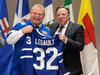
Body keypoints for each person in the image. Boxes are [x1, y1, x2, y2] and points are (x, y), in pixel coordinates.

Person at [6, 4, 50, 75]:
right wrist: (22, 31)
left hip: (37, 71)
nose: (37, 16)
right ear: (30, 13)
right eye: (34, 13)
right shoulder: (20, 26)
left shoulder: (47, 31)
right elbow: (8, 40)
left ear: (44, 16)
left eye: (40, 14)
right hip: (19, 69)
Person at [50, 6, 84, 75]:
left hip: (71, 69)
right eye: (58, 15)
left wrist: (66, 40)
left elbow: (80, 46)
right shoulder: (53, 26)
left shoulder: (77, 27)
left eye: (63, 14)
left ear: (68, 16)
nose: (60, 16)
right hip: (54, 67)